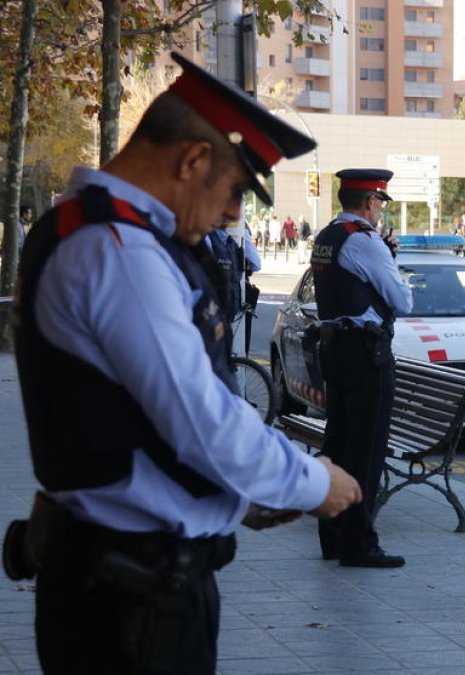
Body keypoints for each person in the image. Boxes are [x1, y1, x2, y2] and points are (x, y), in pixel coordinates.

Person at [6, 52, 361, 674]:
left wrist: (237, 495)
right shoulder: (119, 251)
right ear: (192, 160)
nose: (231, 214)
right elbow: (201, 420)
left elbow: (137, 412)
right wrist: (314, 484)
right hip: (134, 598)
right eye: (232, 191)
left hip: (121, 584)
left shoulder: (89, 229)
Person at [310, 168, 413, 568]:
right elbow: (402, 301)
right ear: (370, 201)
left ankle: (333, 536)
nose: (379, 212)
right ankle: (360, 543)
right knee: (365, 449)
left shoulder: (328, 236)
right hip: (365, 353)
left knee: (337, 444)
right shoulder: (366, 241)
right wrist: (389, 256)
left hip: (335, 349)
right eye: (379, 204)